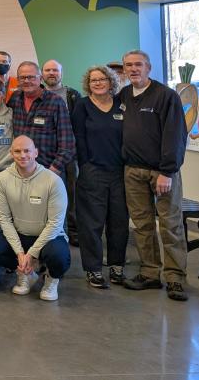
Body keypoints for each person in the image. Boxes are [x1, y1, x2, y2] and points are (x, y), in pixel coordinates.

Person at [119, 49, 189, 302]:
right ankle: (150, 272)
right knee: (142, 225)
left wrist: (167, 171)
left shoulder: (165, 96)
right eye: (129, 65)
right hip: (132, 171)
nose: (133, 69)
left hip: (161, 172)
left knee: (170, 224)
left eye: (138, 64)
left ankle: (175, 278)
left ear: (149, 68)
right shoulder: (124, 95)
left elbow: (175, 135)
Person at [0, 136, 70, 300]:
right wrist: (20, 254)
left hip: (49, 237)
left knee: (60, 257)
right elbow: (4, 219)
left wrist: (32, 254)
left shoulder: (53, 181)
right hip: (20, 234)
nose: (22, 155)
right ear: (11, 153)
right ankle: (24, 271)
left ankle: (51, 278)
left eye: (27, 150)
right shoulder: (2, 179)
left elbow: (55, 223)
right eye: (17, 151)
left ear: (36, 153)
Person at [72, 65, 128, 289]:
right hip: (92, 171)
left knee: (119, 222)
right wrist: (85, 164)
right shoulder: (82, 106)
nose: (97, 83)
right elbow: (78, 137)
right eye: (93, 80)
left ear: (110, 81)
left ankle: (117, 266)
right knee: (91, 224)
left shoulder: (121, 105)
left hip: (120, 172)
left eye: (102, 79)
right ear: (88, 83)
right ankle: (93, 269)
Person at [6, 62, 74, 177]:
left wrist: (53, 171)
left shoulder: (55, 101)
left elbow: (67, 143)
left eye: (31, 77)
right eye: (22, 77)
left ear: (40, 78)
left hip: (48, 171)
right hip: (19, 172)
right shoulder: (15, 99)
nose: (26, 81)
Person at [42, 58, 81, 242]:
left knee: (72, 193)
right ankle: (50, 231)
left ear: (61, 73)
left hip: (70, 154)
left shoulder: (72, 95)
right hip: (46, 153)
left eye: (55, 70)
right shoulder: (38, 95)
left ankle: (73, 231)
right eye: (48, 70)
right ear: (42, 74)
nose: (51, 73)